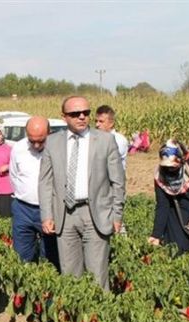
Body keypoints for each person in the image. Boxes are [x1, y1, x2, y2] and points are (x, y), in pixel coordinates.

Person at [39, 96, 125, 290]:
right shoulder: (52, 142)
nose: (81, 117)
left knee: (98, 276)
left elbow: (118, 181)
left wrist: (116, 215)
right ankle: (75, 319)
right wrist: (46, 215)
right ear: (64, 117)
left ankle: (100, 319)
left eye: (86, 113)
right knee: (70, 277)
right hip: (64, 215)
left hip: (95, 214)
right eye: (75, 114)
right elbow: (45, 182)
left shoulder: (105, 140)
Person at [9, 117, 59, 269]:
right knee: (21, 256)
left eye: (41, 141)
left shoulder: (58, 149)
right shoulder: (18, 148)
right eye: (32, 140)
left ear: (49, 134)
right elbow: (14, 176)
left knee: (51, 257)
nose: (36, 145)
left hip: (51, 210)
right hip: (23, 209)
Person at [95, 105, 128, 170]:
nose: (97, 125)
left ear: (111, 123)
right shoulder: (95, 138)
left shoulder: (119, 140)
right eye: (96, 121)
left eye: (101, 121)